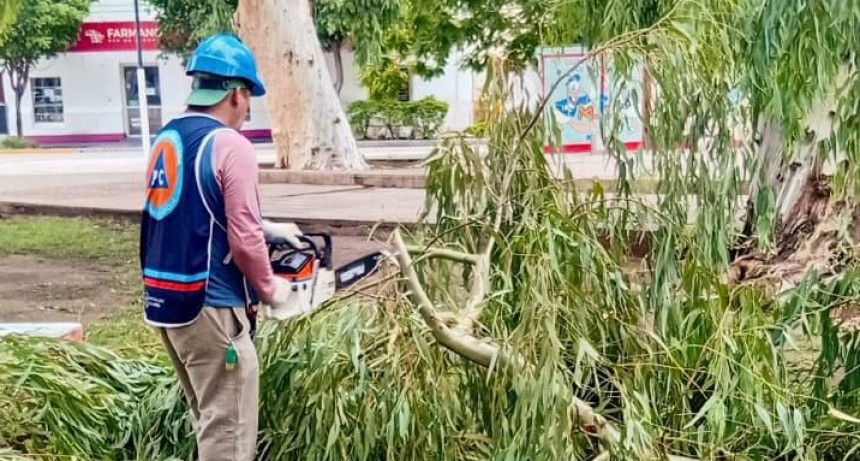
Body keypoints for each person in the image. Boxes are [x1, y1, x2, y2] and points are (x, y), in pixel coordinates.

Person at [139, 33, 302, 461]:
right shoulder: (232, 145)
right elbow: (243, 242)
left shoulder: (168, 140)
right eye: (248, 98)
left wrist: (268, 227)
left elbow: (190, 211)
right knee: (229, 436)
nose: (248, 110)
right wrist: (272, 290)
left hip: (168, 306)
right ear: (236, 92)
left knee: (210, 420)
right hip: (212, 309)